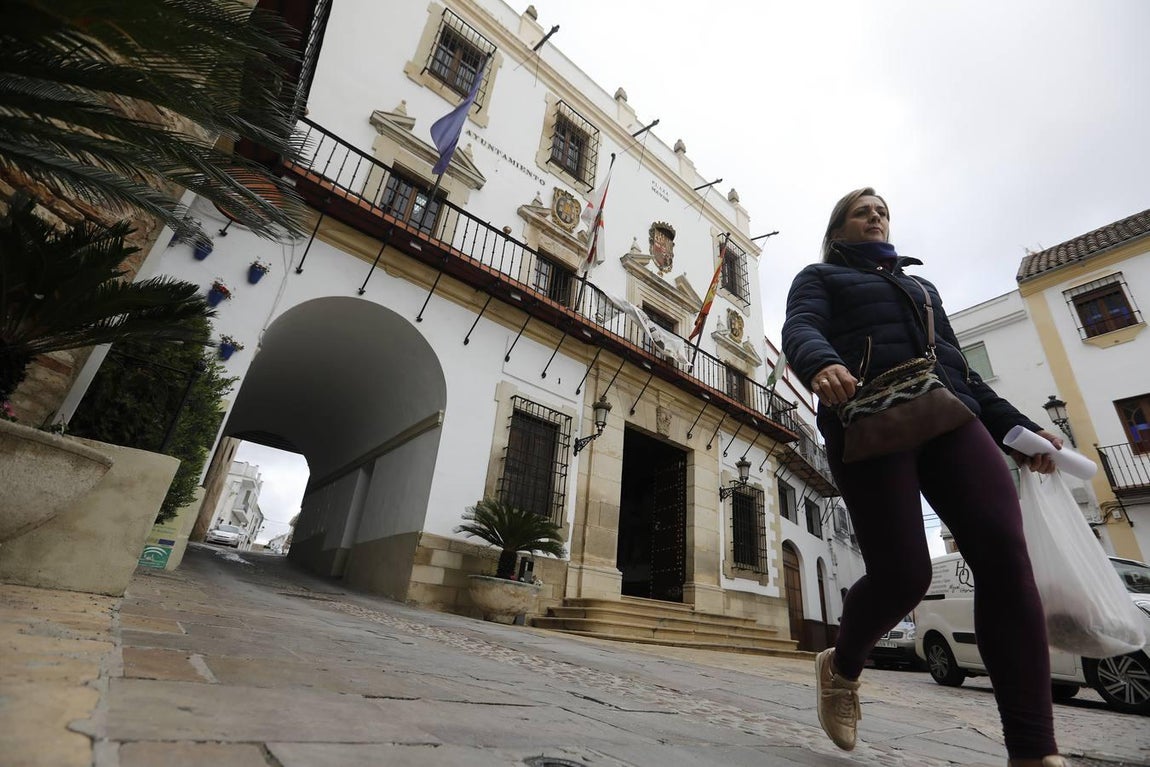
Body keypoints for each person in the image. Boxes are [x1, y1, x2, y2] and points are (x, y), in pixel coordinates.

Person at [781, 188, 1067, 767]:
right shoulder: (819, 277)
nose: (875, 216)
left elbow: (962, 374)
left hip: (949, 416)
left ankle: (1034, 752)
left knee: (1006, 558)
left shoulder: (923, 290)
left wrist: (1020, 433)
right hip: (868, 419)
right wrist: (821, 362)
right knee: (903, 576)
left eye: (882, 211)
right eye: (862, 211)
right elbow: (801, 327)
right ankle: (841, 666)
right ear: (837, 232)